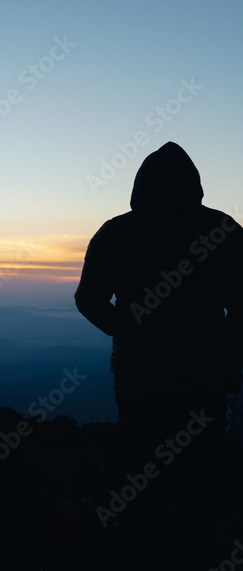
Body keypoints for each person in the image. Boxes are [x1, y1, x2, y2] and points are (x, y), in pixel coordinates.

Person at [75, 142, 243, 535]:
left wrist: (129, 330)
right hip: (205, 370)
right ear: (195, 185)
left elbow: (88, 299)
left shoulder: (116, 231)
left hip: (138, 370)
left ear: (140, 186)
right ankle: (197, 559)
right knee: (200, 465)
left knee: (142, 463)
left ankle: (145, 559)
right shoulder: (223, 229)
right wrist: (230, 357)